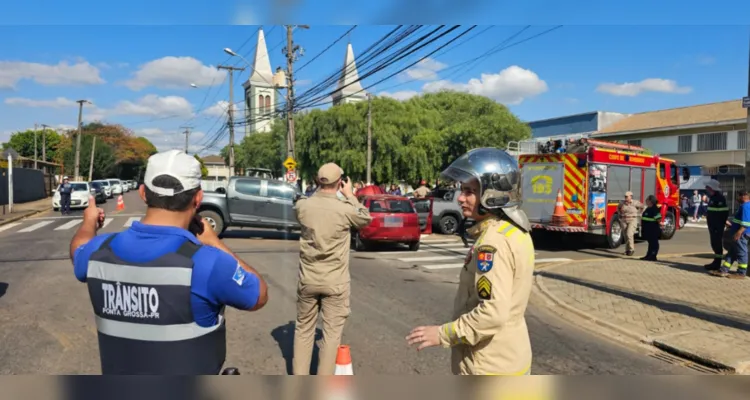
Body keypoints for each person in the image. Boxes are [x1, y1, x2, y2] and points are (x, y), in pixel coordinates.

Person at [69, 149, 268, 375]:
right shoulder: (209, 262)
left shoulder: (98, 250)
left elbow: (78, 249)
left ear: (143, 193)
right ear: (198, 198)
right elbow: (258, 296)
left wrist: (89, 222)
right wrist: (214, 242)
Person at [406, 148, 536, 375]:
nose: (461, 198)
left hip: (488, 365)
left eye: (469, 191)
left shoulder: (493, 243)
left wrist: (442, 334)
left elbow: (492, 313)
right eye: (461, 190)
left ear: (491, 195)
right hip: (511, 358)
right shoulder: (516, 231)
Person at [293, 163, 373, 375]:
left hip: (308, 279)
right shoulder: (345, 209)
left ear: (318, 180)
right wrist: (350, 195)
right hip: (335, 282)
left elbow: (299, 210)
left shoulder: (303, 206)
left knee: (303, 330)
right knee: (331, 336)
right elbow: (365, 218)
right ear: (340, 182)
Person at [710, 190, 750, 279]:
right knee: (732, 253)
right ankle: (724, 270)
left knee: (742, 252)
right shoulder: (744, 206)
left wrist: (739, 232)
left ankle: (741, 273)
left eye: (739, 195)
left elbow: (746, 223)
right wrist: (732, 225)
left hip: (741, 234)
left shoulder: (746, 207)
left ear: (744, 196)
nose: (737, 198)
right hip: (738, 233)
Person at [704, 180, 729, 271]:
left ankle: (717, 263)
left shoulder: (719, 198)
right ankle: (716, 261)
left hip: (717, 226)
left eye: (707, 187)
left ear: (711, 188)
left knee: (717, 244)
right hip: (713, 225)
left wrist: (720, 224)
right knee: (714, 243)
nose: (706, 188)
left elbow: (723, 213)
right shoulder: (713, 197)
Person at [617, 191, 644, 256]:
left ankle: (631, 249)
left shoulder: (635, 203)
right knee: (625, 236)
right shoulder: (622, 203)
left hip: (632, 220)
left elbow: (643, 207)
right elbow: (618, 208)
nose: (625, 198)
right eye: (625, 196)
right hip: (624, 220)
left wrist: (639, 213)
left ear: (631, 196)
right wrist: (620, 214)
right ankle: (627, 250)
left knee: (629, 234)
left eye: (627, 196)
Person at [639, 195, 661, 261]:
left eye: (647, 199)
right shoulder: (648, 208)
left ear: (650, 201)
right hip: (648, 230)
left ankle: (653, 256)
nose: (646, 200)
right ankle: (648, 255)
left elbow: (658, 219)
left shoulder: (654, 209)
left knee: (654, 243)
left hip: (653, 230)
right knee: (650, 244)